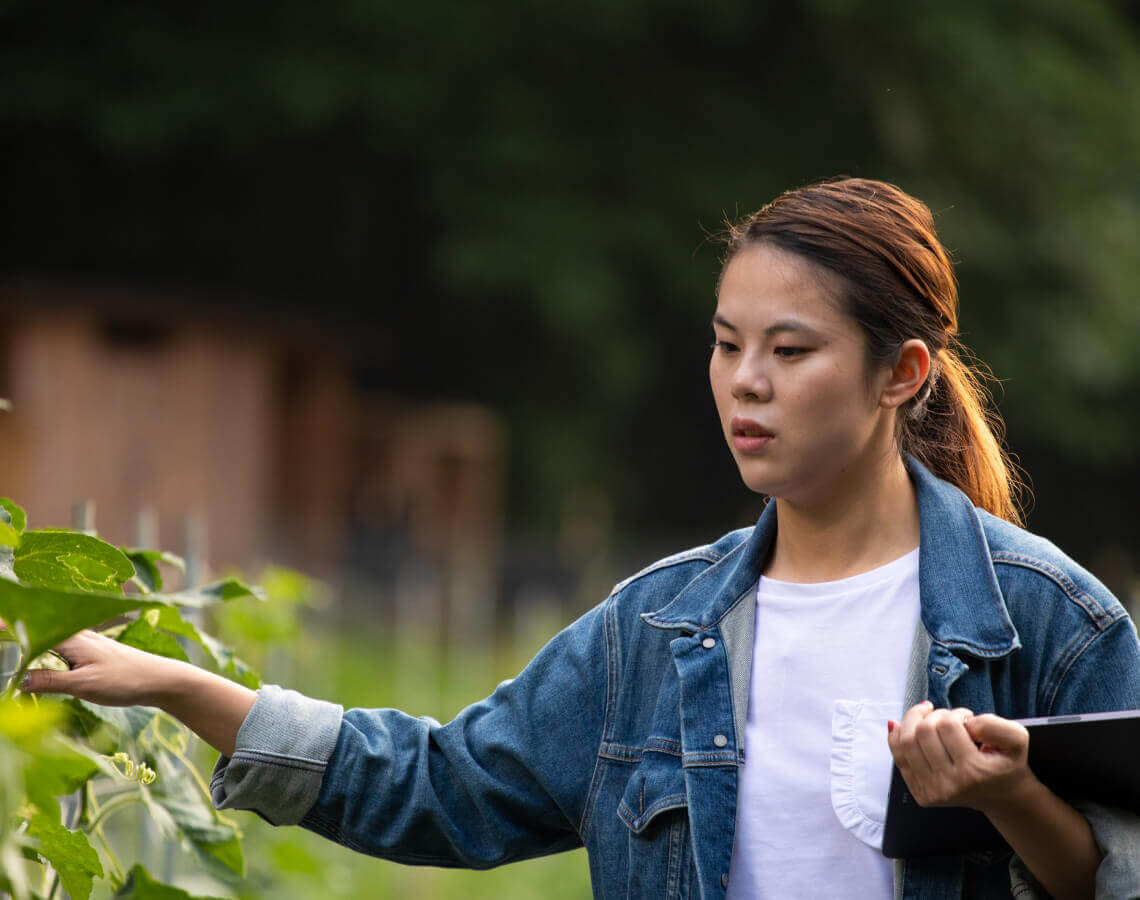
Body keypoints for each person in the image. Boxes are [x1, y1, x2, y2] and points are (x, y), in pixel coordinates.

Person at [22, 178, 1140, 899]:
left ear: (901, 375)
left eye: (791, 352)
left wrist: (1007, 796)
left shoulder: (1051, 622)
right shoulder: (654, 631)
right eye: (725, 344)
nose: (745, 384)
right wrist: (180, 688)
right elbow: (444, 787)